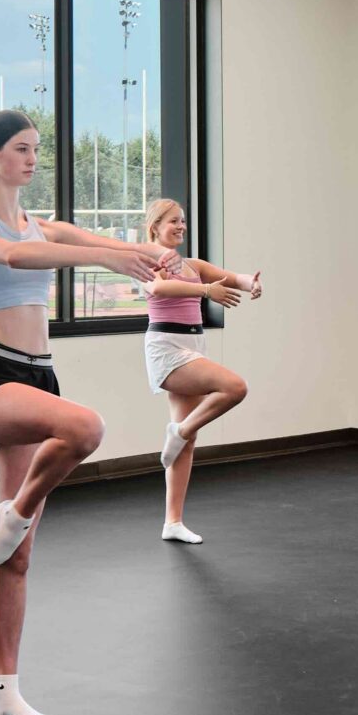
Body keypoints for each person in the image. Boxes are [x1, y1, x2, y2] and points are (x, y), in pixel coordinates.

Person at [0, 110, 171, 715]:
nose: (31, 159)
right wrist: (102, 262)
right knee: (85, 429)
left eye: (36, 150)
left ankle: (4, 691)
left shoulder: (47, 224)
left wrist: (154, 254)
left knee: (16, 562)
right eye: (20, 149)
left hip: (39, 375)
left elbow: (111, 245)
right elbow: (16, 256)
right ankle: (15, 511)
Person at [138, 199, 260, 546]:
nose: (181, 226)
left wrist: (251, 283)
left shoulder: (192, 265)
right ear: (155, 227)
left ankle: (172, 522)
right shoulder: (147, 260)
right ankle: (179, 430)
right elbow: (158, 288)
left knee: (186, 444)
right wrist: (206, 290)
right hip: (166, 348)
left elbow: (234, 278)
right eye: (173, 221)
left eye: (183, 221)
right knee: (235, 387)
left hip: (193, 345)